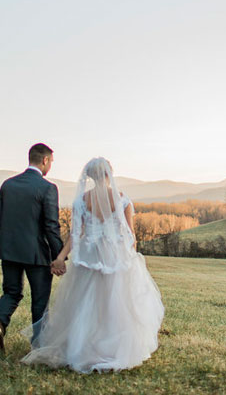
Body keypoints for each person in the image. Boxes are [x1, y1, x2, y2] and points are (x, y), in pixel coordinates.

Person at [21, 157, 164, 373]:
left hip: (89, 256)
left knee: (87, 303)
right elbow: (130, 236)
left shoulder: (81, 201)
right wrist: (128, 256)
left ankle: (82, 347)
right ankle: (114, 348)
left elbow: (75, 234)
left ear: (89, 177)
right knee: (116, 303)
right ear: (109, 174)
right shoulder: (124, 200)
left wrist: (60, 257)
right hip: (115, 257)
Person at [0, 143, 63, 356]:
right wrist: (59, 256)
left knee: (11, 292)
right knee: (39, 300)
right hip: (36, 254)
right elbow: (51, 226)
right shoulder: (48, 188)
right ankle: (38, 347)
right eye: (51, 162)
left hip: (9, 250)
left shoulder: (8, 185)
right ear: (45, 160)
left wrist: (5, 244)